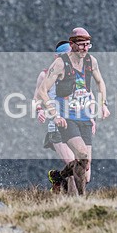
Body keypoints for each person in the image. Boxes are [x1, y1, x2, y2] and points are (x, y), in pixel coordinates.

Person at [37, 27, 110, 193]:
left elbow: (99, 83)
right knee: (82, 155)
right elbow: (41, 91)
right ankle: (80, 200)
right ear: (72, 44)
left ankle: (59, 176)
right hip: (66, 119)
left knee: (86, 170)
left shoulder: (91, 61)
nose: (85, 48)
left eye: (88, 45)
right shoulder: (60, 64)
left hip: (84, 118)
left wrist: (103, 104)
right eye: (82, 45)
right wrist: (53, 115)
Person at [34, 41, 76, 190]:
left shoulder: (74, 74)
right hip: (56, 126)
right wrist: (39, 110)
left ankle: (59, 179)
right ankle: (76, 200)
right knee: (73, 165)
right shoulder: (44, 75)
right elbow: (36, 98)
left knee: (80, 169)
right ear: (56, 57)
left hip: (74, 124)